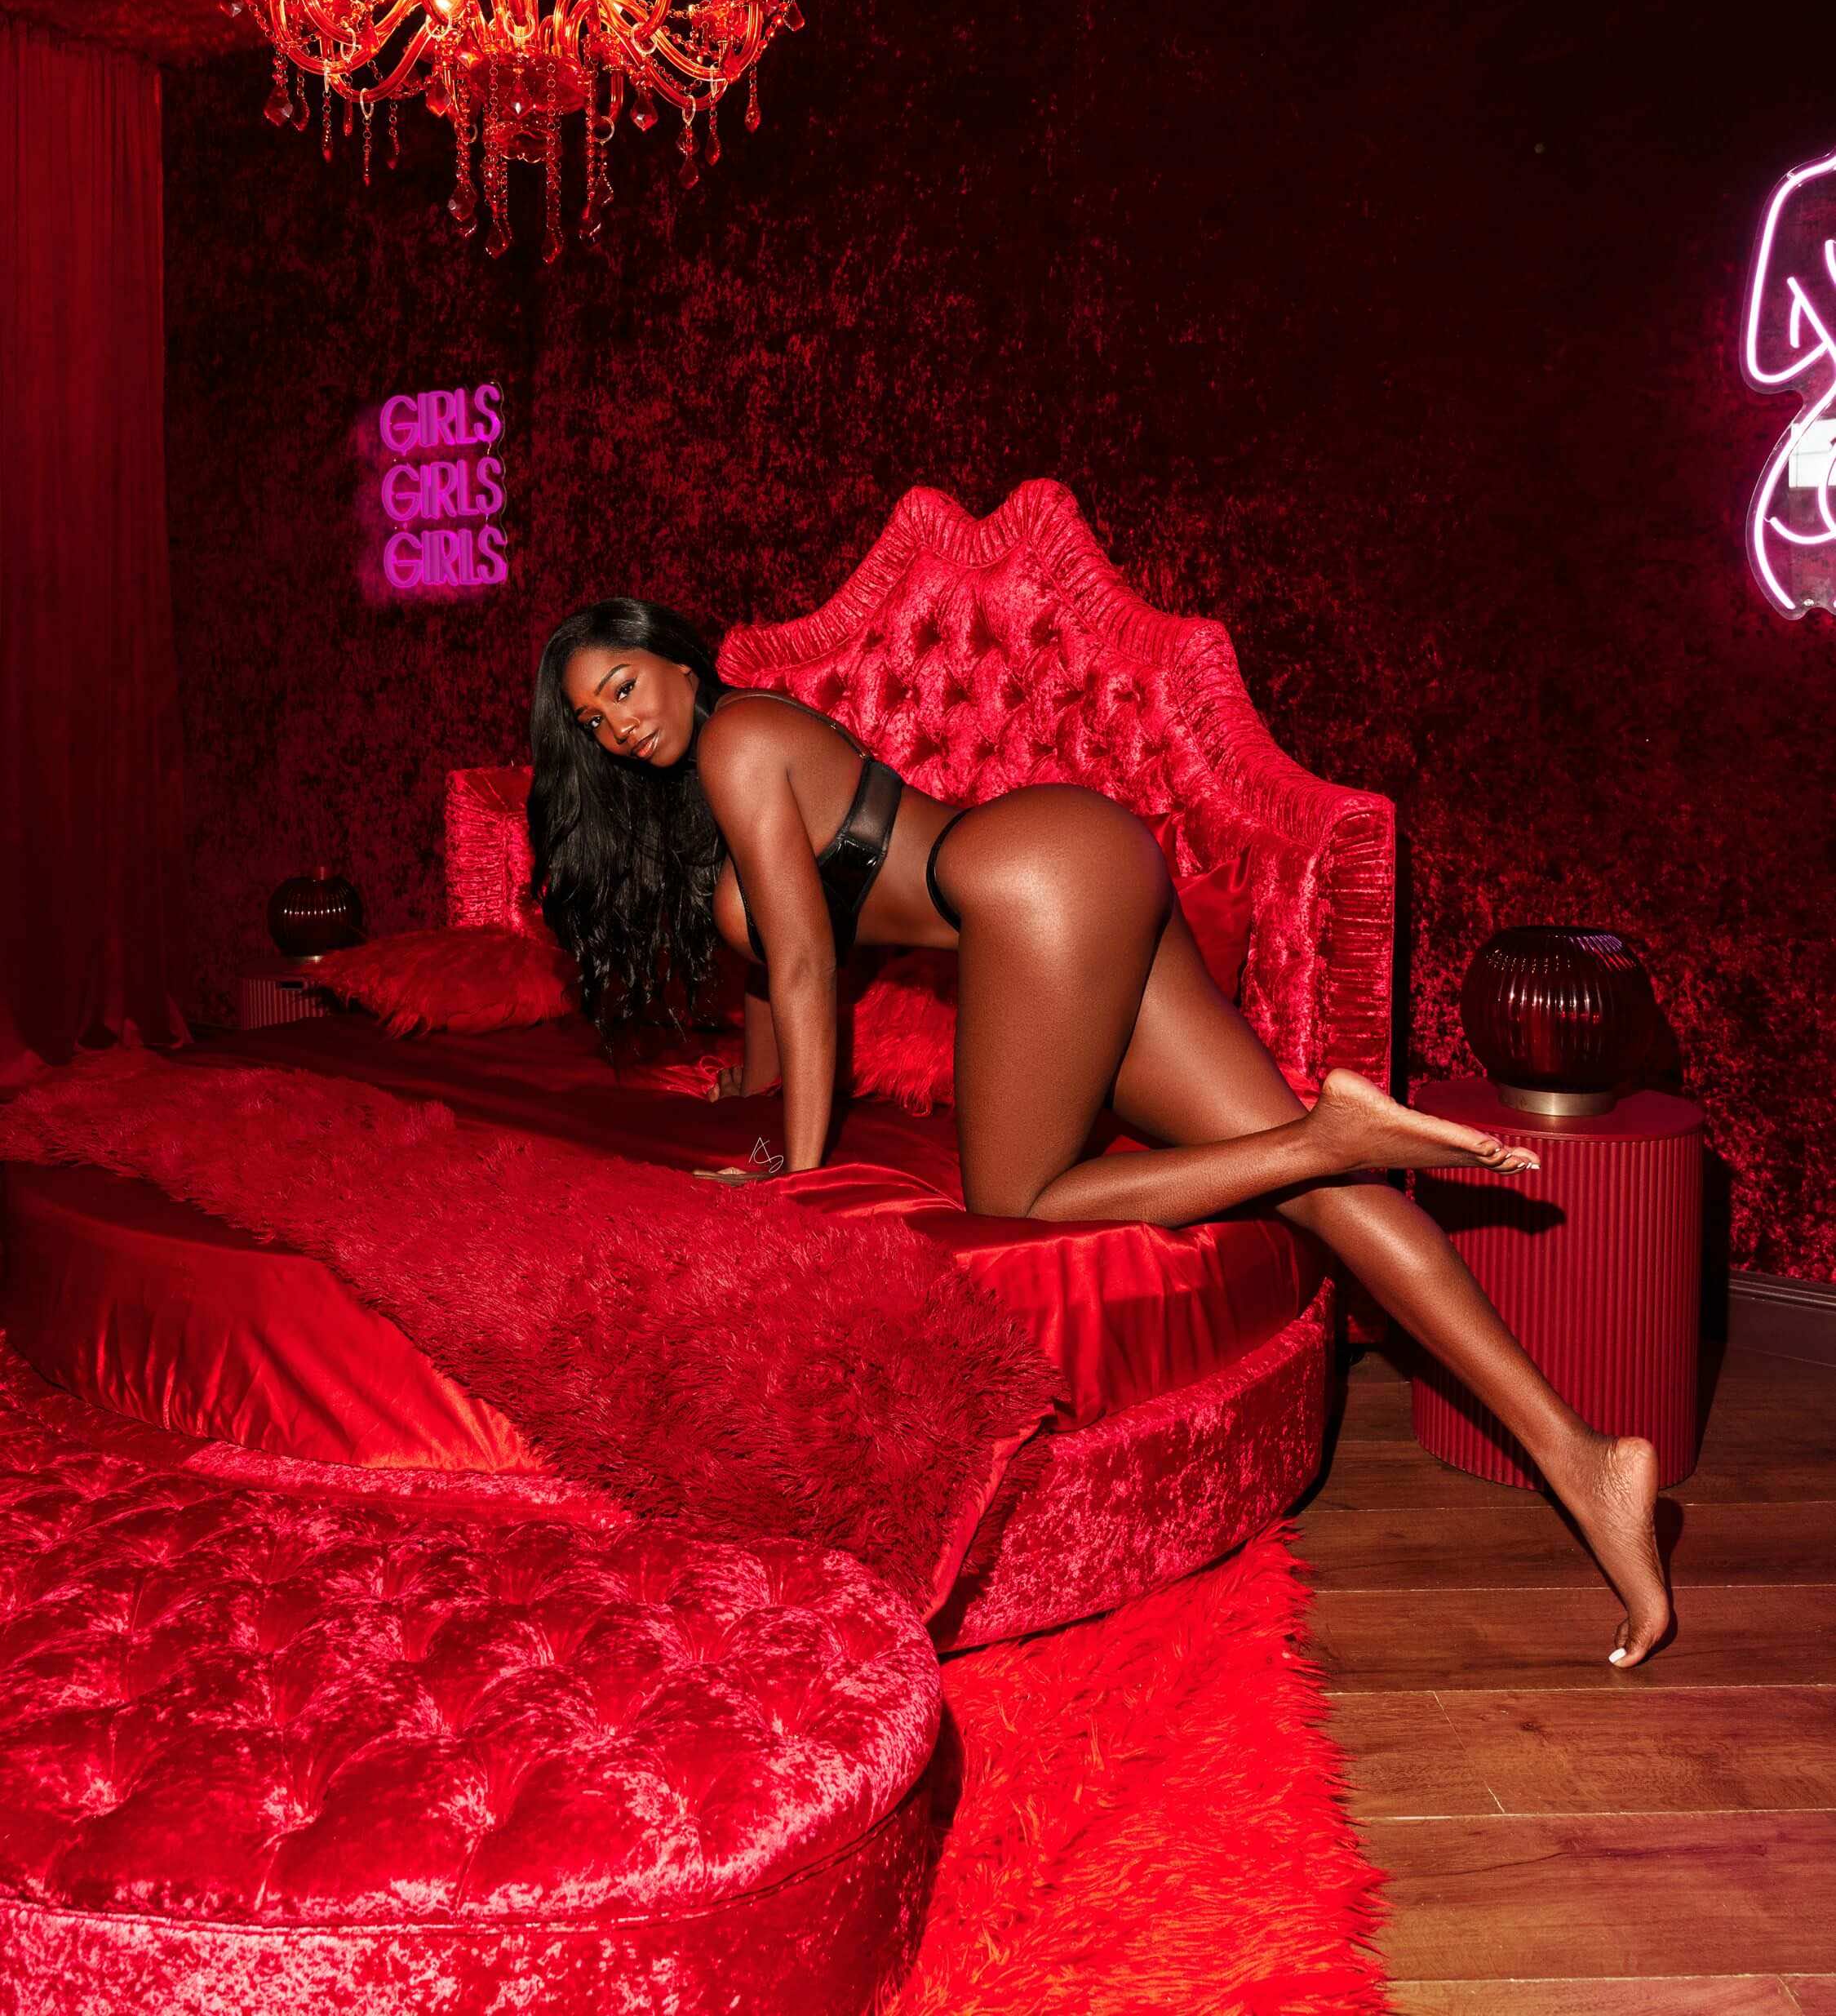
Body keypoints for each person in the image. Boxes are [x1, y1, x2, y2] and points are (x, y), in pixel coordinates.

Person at [527, 595, 1674, 1669]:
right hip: (1079, 861)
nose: (616, 726)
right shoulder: (740, 763)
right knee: (1328, 1201)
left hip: (1028, 887)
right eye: (591, 720)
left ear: (679, 664)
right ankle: (1585, 1460)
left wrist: (804, 1179)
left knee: (1017, 1202)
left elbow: (808, 963)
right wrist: (752, 1094)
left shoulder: (737, 740)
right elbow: (777, 970)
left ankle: (1322, 1137)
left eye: (623, 687)